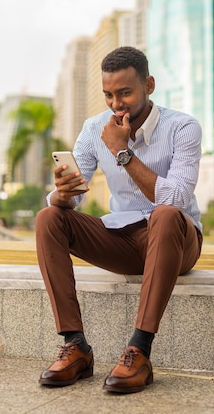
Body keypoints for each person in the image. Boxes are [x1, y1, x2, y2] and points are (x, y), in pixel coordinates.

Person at [36, 46, 203, 394]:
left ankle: (139, 350)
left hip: (176, 239)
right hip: (123, 238)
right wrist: (64, 194)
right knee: (49, 216)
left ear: (149, 85)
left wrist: (122, 152)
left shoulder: (183, 127)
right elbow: (73, 194)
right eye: (109, 95)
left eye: (125, 92)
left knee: (166, 213)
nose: (116, 104)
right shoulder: (94, 128)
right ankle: (75, 345)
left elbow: (175, 198)